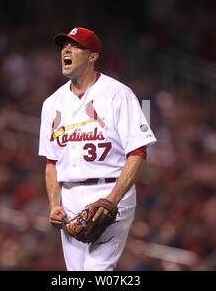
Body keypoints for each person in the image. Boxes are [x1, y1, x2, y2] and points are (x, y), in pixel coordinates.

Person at [38, 27, 157, 271]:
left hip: (110, 189)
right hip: (70, 197)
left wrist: (112, 200)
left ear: (93, 56)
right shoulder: (51, 104)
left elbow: (138, 153)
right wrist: (54, 205)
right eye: (64, 46)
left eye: (75, 46)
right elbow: (51, 163)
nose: (66, 50)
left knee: (97, 270)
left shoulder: (119, 94)